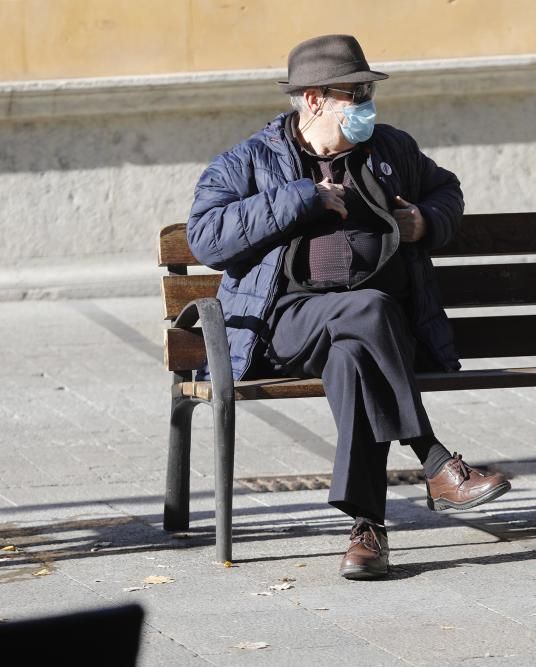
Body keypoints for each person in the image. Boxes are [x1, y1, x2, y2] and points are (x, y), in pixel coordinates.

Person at [186, 34, 510, 580]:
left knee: (355, 356)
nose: (367, 104)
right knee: (369, 310)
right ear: (314, 100)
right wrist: (300, 198)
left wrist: (427, 221)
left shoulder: (391, 150)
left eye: (367, 91)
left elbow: (447, 190)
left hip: (375, 336)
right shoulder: (249, 160)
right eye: (354, 93)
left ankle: (367, 531)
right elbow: (206, 238)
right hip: (286, 323)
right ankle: (434, 459)